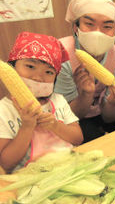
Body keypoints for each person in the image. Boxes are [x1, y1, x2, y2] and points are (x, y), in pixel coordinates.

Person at [0, 32, 83, 173]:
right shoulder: (4, 110)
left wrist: (55, 126)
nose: (38, 77)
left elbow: (78, 139)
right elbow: (6, 164)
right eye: (30, 66)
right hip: (31, 177)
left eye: (49, 72)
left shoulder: (58, 101)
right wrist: (27, 127)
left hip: (69, 167)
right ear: (12, 68)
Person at [54, 0, 115, 143]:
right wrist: (85, 95)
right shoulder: (62, 56)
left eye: (107, 26)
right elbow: (66, 117)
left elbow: (110, 118)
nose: (97, 32)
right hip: (72, 115)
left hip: (103, 113)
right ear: (76, 27)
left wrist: (112, 102)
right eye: (89, 24)